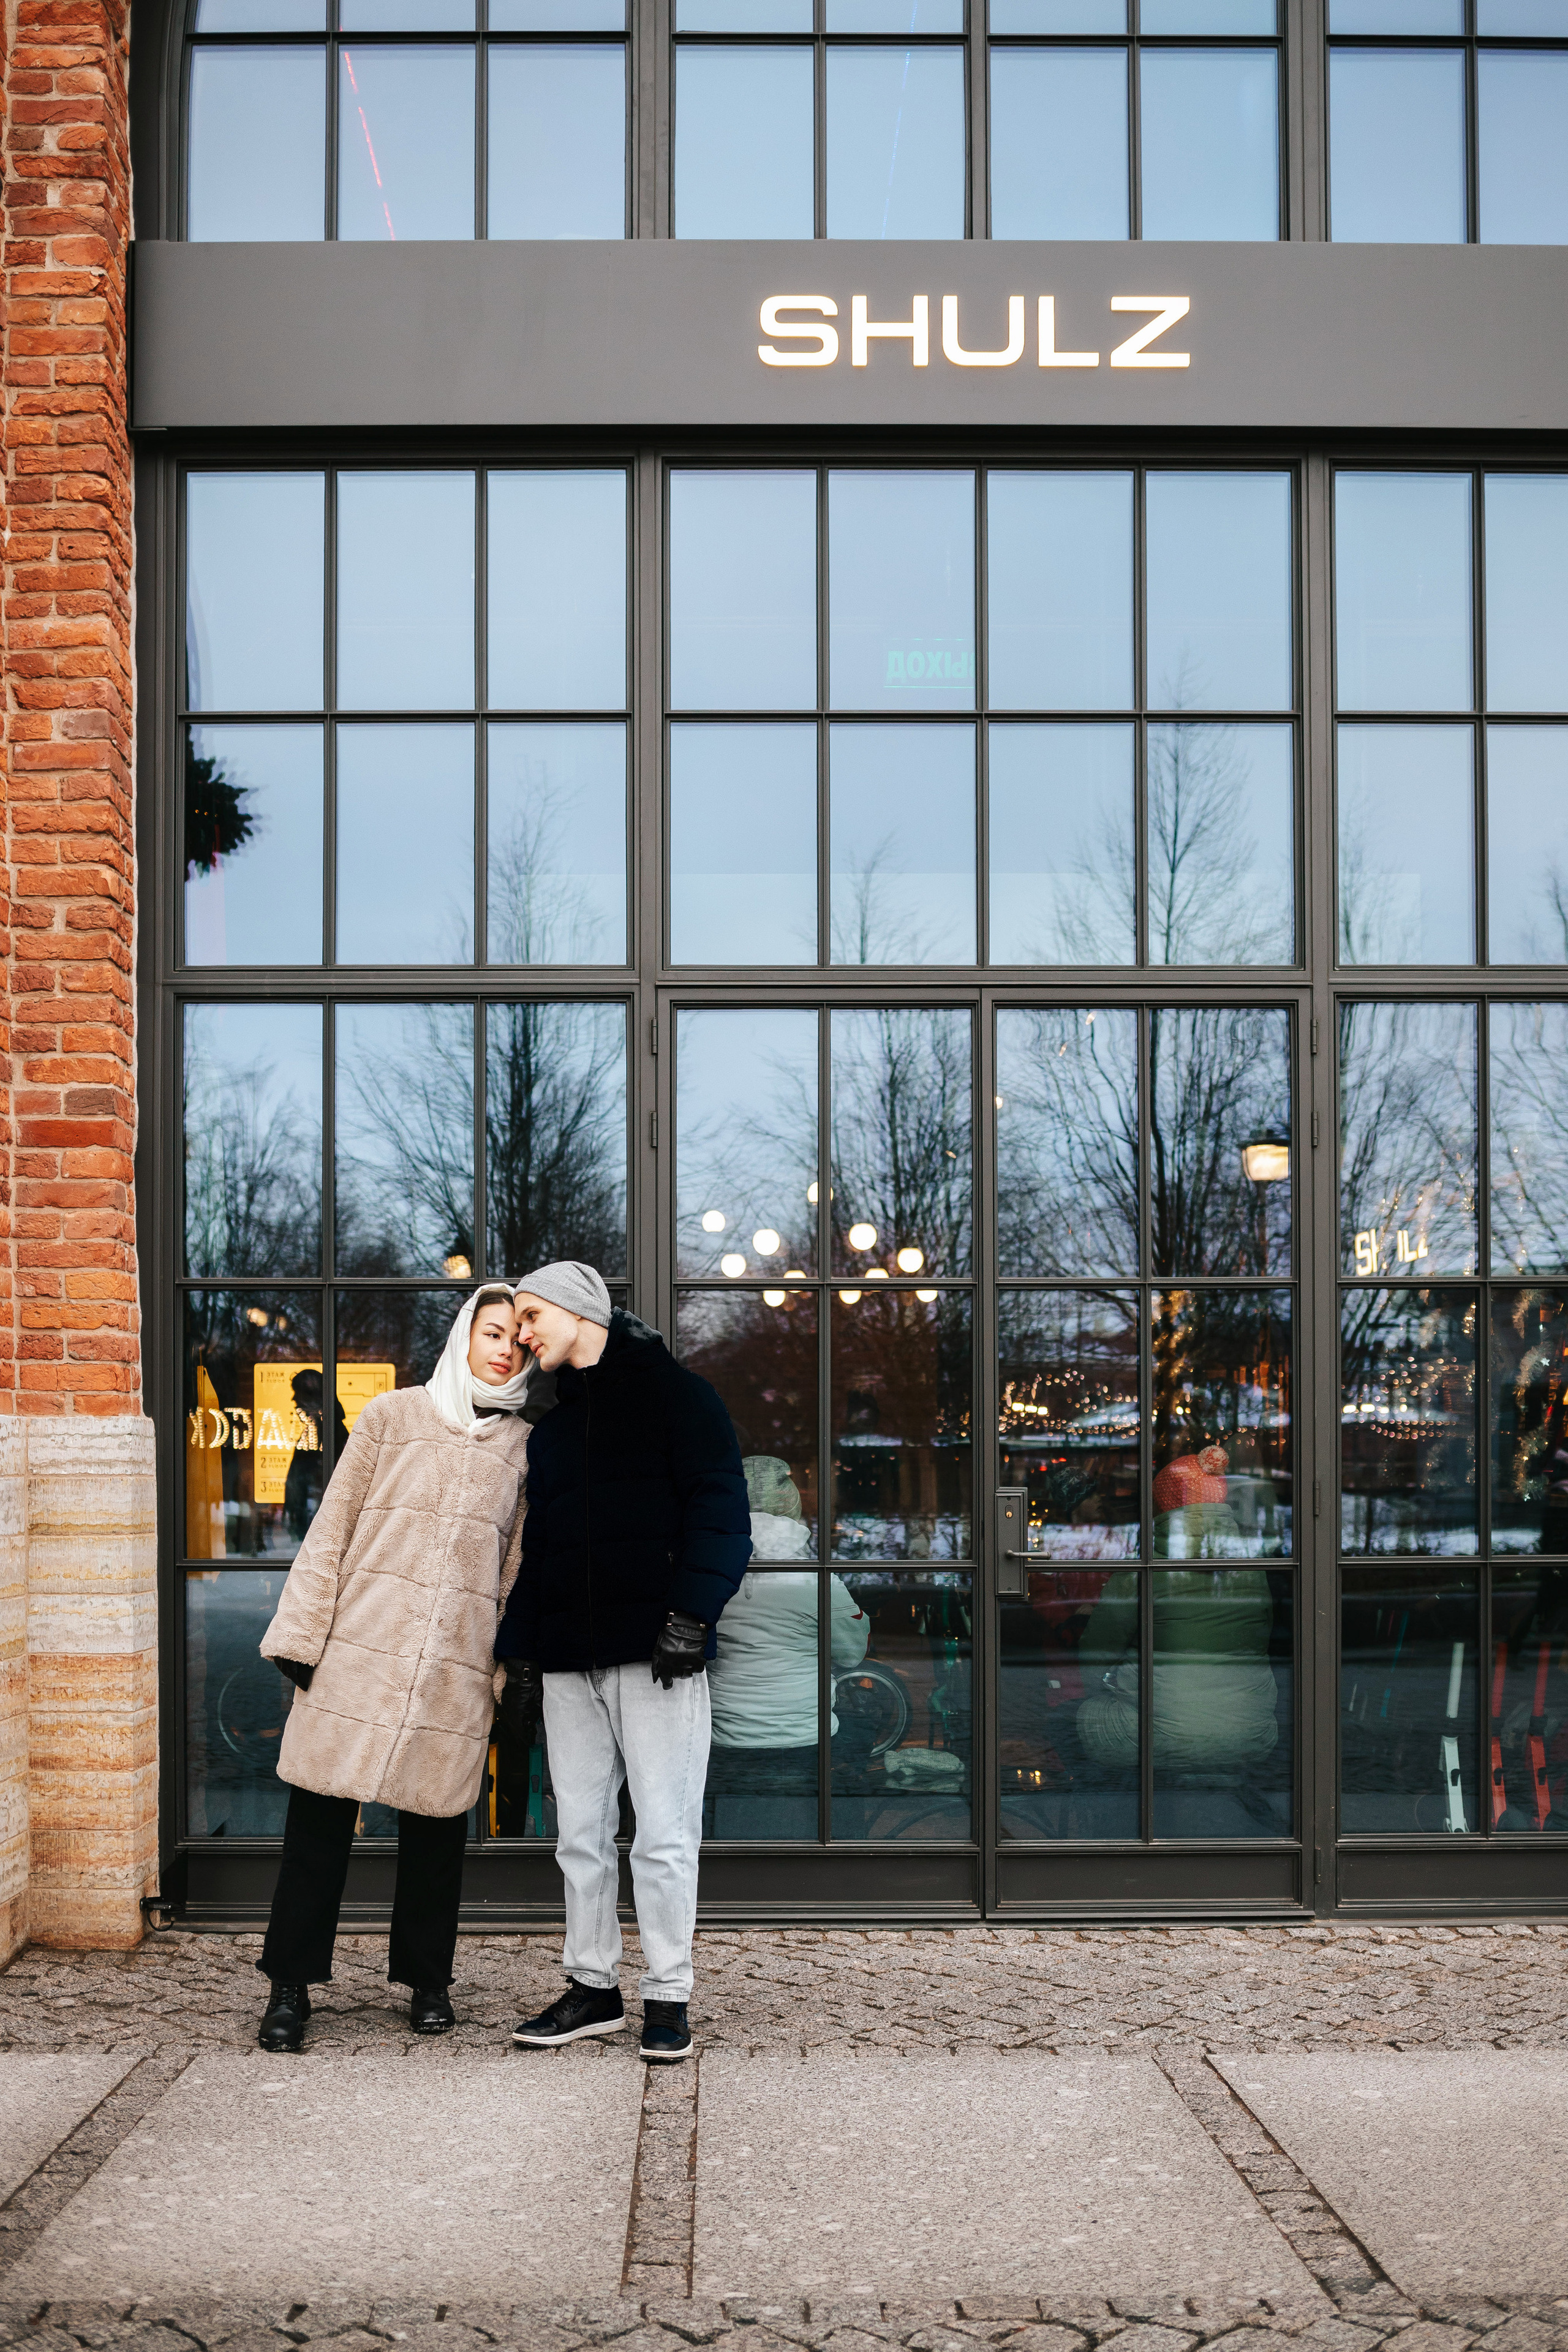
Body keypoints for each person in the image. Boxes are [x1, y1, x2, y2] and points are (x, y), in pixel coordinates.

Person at [254, 1287, 533, 2052]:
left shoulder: (521, 1448)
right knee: (317, 1826)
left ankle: (427, 1980)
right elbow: (331, 1529)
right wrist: (302, 1639)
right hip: (357, 1651)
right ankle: (290, 1986)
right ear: (466, 1335)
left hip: (455, 1664)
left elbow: (513, 1573)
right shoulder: (392, 1417)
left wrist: (502, 1674)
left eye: (518, 1340)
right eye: (492, 1332)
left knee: (436, 1830)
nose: (504, 1349)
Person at [495, 1262, 750, 2064]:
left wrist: (690, 1615)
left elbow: (721, 1512)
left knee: (664, 1835)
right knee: (580, 1833)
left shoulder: (681, 1397)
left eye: (533, 1315)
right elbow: (541, 1552)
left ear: (579, 1312)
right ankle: (593, 1987)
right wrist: (525, 1656)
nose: (524, 1333)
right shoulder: (555, 1427)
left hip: (657, 1655)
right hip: (572, 1662)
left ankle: (668, 1994)